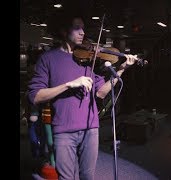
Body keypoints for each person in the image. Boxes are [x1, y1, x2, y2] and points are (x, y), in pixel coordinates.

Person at [27, 12, 138, 180]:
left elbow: (101, 92)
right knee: (67, 178)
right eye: (77, 28)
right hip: (63, 131)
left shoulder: (88, 60)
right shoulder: (48, 59)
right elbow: (35, 96)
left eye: (83, 28)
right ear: (64, 31)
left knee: (88, 176)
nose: (82, 33)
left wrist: (122, 70)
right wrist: (69, 84)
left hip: (90, 129)